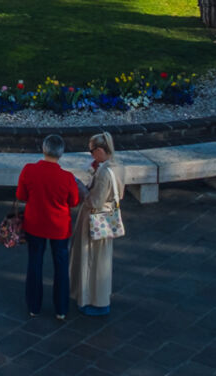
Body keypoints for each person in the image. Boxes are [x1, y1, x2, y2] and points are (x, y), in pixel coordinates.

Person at [15, 134, 79, 320]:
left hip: (35, 224)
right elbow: (73, 201)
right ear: (61, 153)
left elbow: (21, 194)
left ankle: (34, 306)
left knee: (34, 262)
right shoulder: (67, 177)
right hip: (59, 227)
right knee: (61, 266)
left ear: (43, 148)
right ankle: (61, 308)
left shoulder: (29, 170)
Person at [70, 132, 125, 316]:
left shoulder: (103, 173)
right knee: (102, 260)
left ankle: (91, 300)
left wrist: (81, 187)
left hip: (94, 218)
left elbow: (94, 202)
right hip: (108, 217)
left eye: (92, 151)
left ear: (100, 150)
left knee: (90, 261)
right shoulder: (118, 166)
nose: (91, 155)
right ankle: (100, 298)